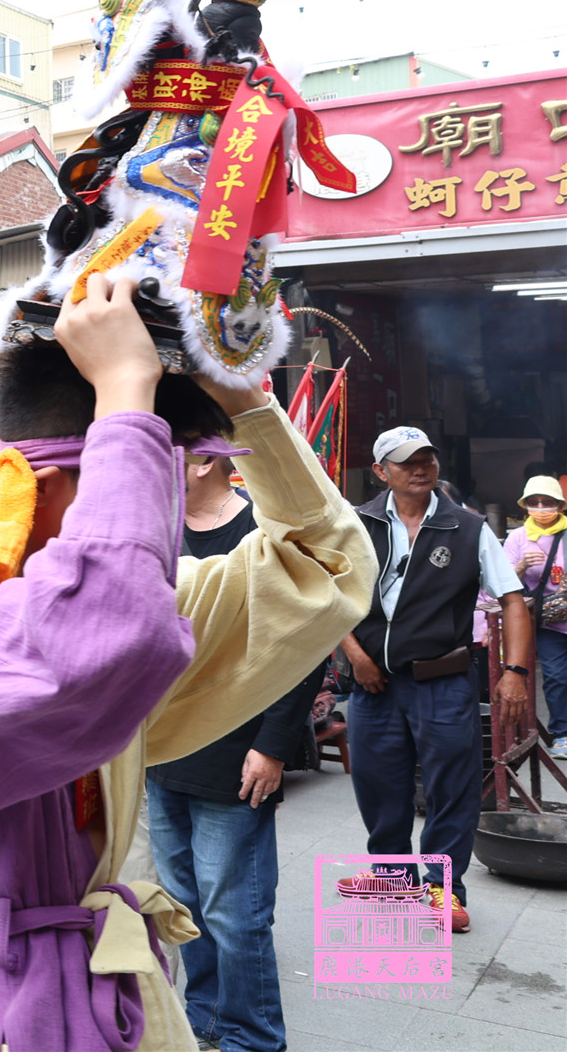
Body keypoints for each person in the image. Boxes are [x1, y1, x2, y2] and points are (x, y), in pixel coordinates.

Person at [0, 275, 377, 1052]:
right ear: (45, 485)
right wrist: (122, 392)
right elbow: (97, 633)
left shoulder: (132, 601)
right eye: (132, 483)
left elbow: (328, 567)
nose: (158, 524)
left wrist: (243, 403)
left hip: (126, 989)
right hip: (6, 1012)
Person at [147, 452, 327, 1052]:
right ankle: (204, 1020)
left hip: (238, 752)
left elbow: (304, 641)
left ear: (203, 460)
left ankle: (252, 1037)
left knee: (235, 911)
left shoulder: (262, 528)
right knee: (182, 902)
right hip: (163, 750)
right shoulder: (158, 526)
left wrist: (272, 746)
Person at [343, 427, 533, 934]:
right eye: (406, 461)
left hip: (443, 681)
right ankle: (392, 879)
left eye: (426, 458)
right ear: (381, 471)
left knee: (452, 790)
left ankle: (443, 890)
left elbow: (512, 600)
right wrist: (355, 655)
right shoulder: (353, 524)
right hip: (374, 685)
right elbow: (325, 594)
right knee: (379, 789)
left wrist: (515, 672)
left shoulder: (467, 528)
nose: (419, 468)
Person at [506, 475, 567, 756]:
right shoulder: (518, 538)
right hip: (547, 622)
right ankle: (561, 733)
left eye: (547, 502)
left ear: (560, 505)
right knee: (556, 677)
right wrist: (520, 566)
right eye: (535, 502)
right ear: (526, 506)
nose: (541, 508)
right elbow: (502, 583)